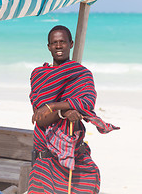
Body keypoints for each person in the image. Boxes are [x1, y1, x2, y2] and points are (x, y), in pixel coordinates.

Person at [28, 25, 119, 194]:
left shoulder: (82, 74)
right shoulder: (39, 75)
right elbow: (41, 118)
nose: (58, 46)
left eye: (62, 41)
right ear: (48, 47)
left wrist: (54, 106)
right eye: (54, 42)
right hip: (45, 159)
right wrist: (64, 112)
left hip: (75, 157)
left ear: (71, 44)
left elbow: (87, 103)